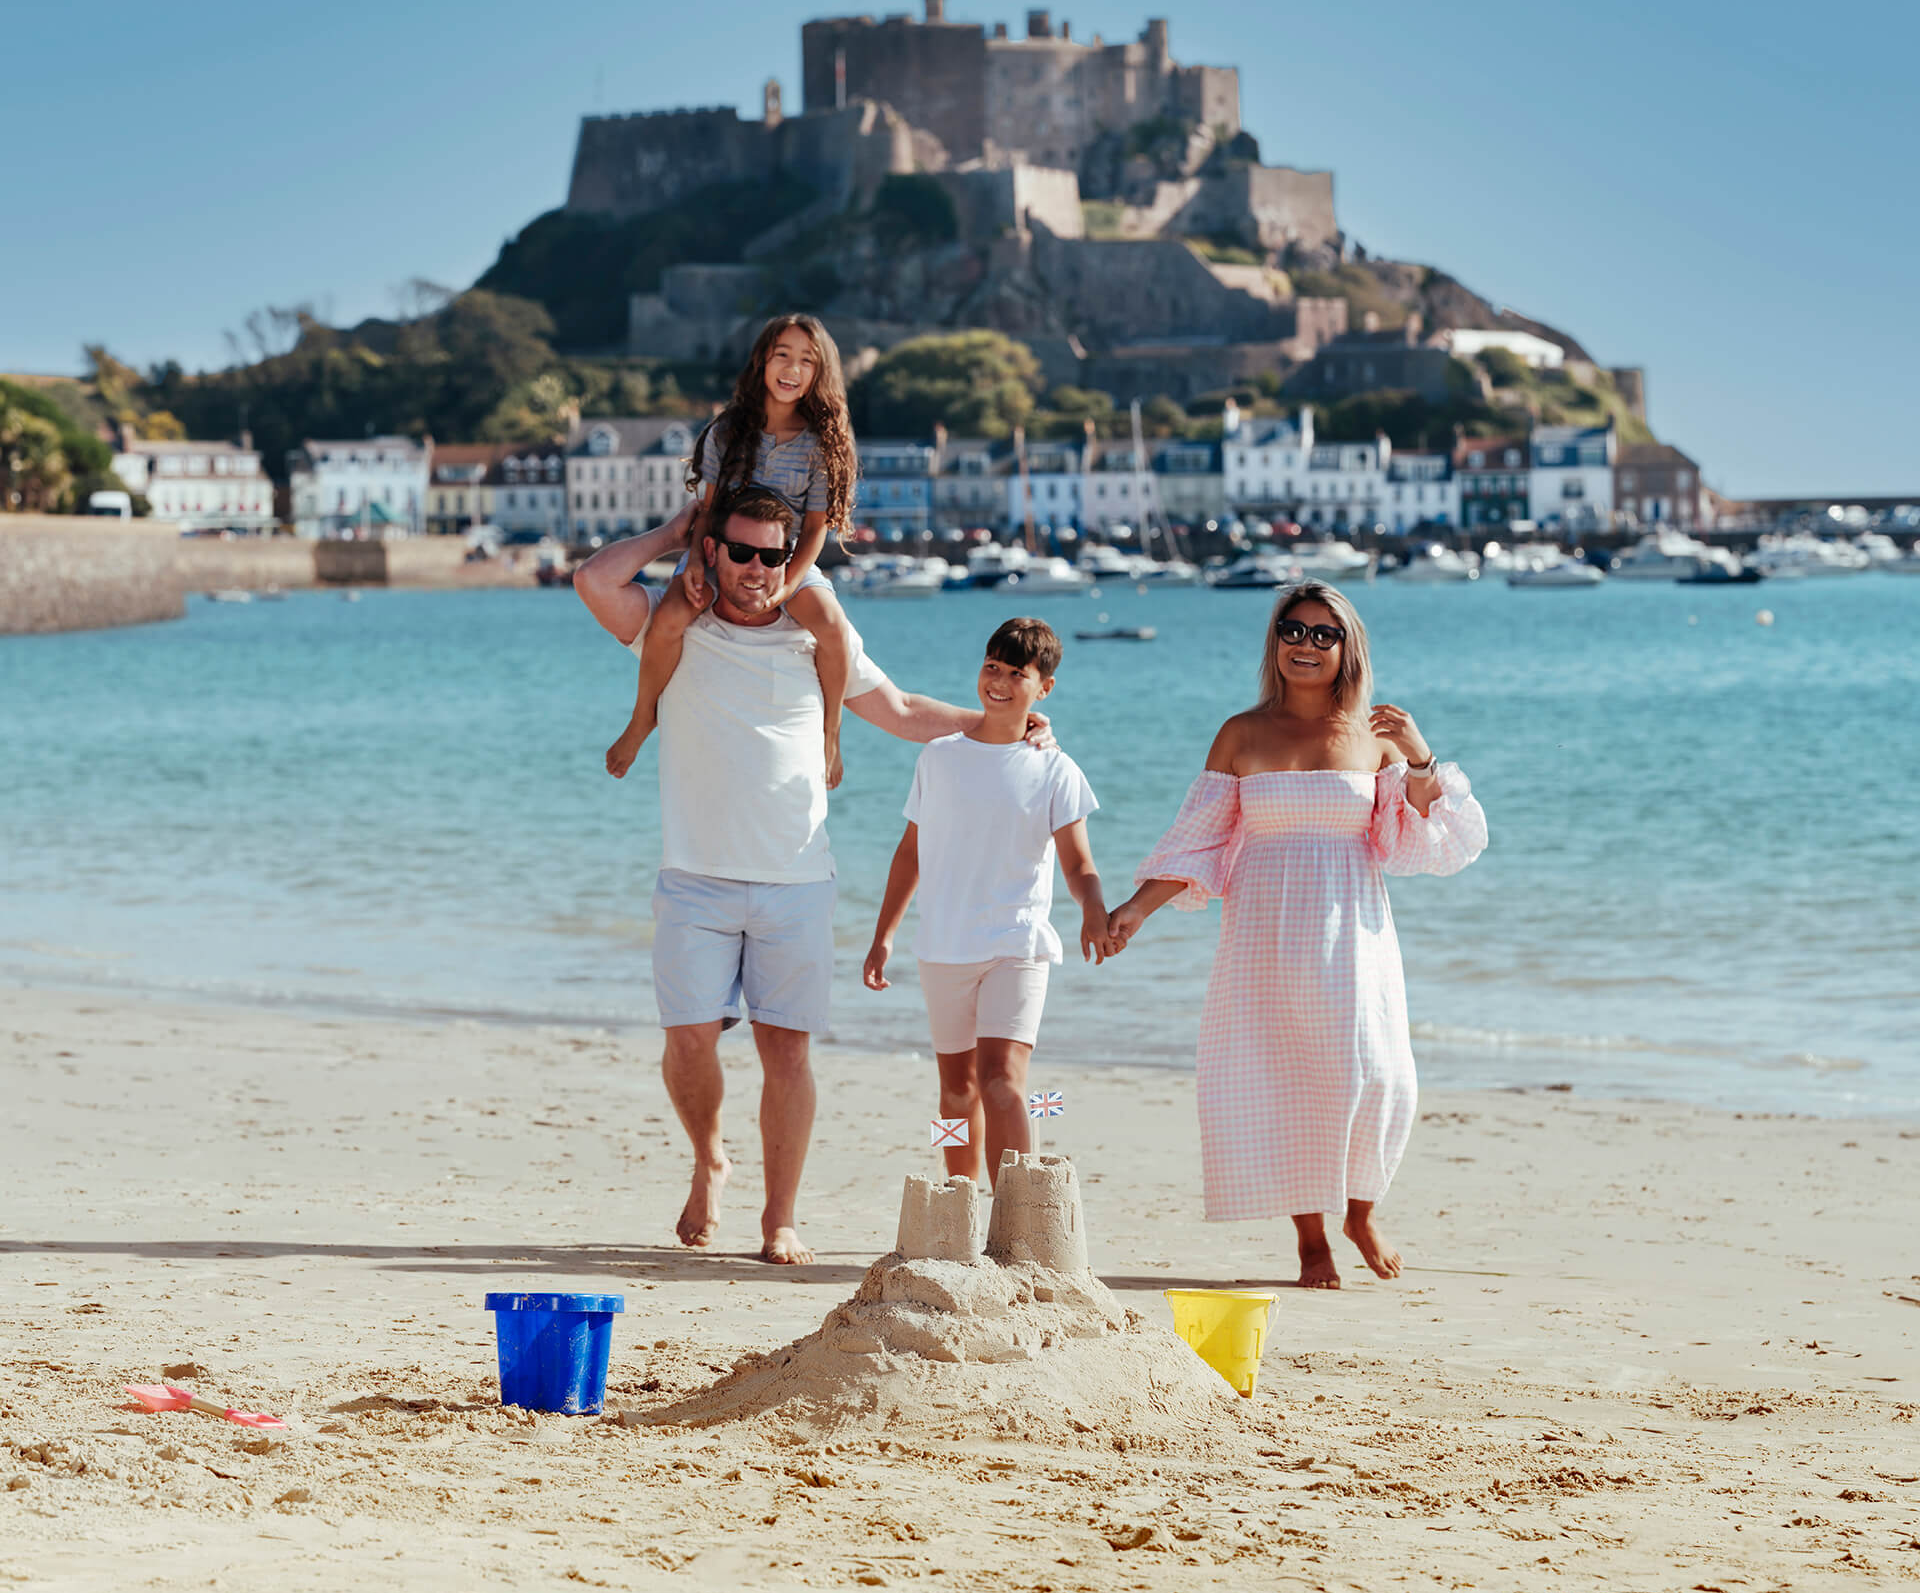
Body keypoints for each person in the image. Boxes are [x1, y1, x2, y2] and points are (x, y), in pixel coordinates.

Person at [574, 485, 1051, 1266]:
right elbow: (594, 581)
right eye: (741, 551)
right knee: (688, 1043)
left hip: (796, 881)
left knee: (787, 1052)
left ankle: (779, 1219)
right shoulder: (676, 627)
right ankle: (709, 1159)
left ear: (789, 560)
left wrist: (1000, 723)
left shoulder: (814, 641)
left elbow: (900, 710)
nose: (757, 569)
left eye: (772, 555)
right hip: (695, 877)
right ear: (715, 551)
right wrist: (672, 530)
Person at [1106, 580, 1487, 1289]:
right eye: (1293, 629)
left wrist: (1421, 756)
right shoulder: (1242, 733)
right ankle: (1312, 1238)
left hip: (1354, 929)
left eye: (1323, 634)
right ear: (1274, 641)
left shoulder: (1373, 737)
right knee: (1286, 1078)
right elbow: (1201, 839)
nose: (1305, 645)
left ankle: (1360, 1211)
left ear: (1348, 648)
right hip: (1264, 931)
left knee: (1379, 1073)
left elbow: (1424, 839)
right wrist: (1136, 909)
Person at [861, 618, 1116, 1185]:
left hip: (1017, 945)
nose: (998, 682)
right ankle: (959, 1199)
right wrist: (884, 934)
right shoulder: (938, 758)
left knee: (1002, 1082)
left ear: (1043, 688)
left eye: (1016, 674)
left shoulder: (1055, 768)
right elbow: (910, 854)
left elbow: (1078, 863)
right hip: (942, 948)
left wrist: (1093, 909)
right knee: (953, 1092)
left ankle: (1017, 1214)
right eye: (991, 668)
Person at [606, 315, 860, 789]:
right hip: (718, 550)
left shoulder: (823, 444)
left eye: (807, 360)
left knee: (831, 626)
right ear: (762, 360)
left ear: (820, 372)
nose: (792, 368)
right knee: (668, 620)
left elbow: (815, 528)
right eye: (782, 354)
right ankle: (643, 718)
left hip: (783, 561)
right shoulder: (727, 431)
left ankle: (831, 736)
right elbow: (707, 509)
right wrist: (699, 562)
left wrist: (786, 583)